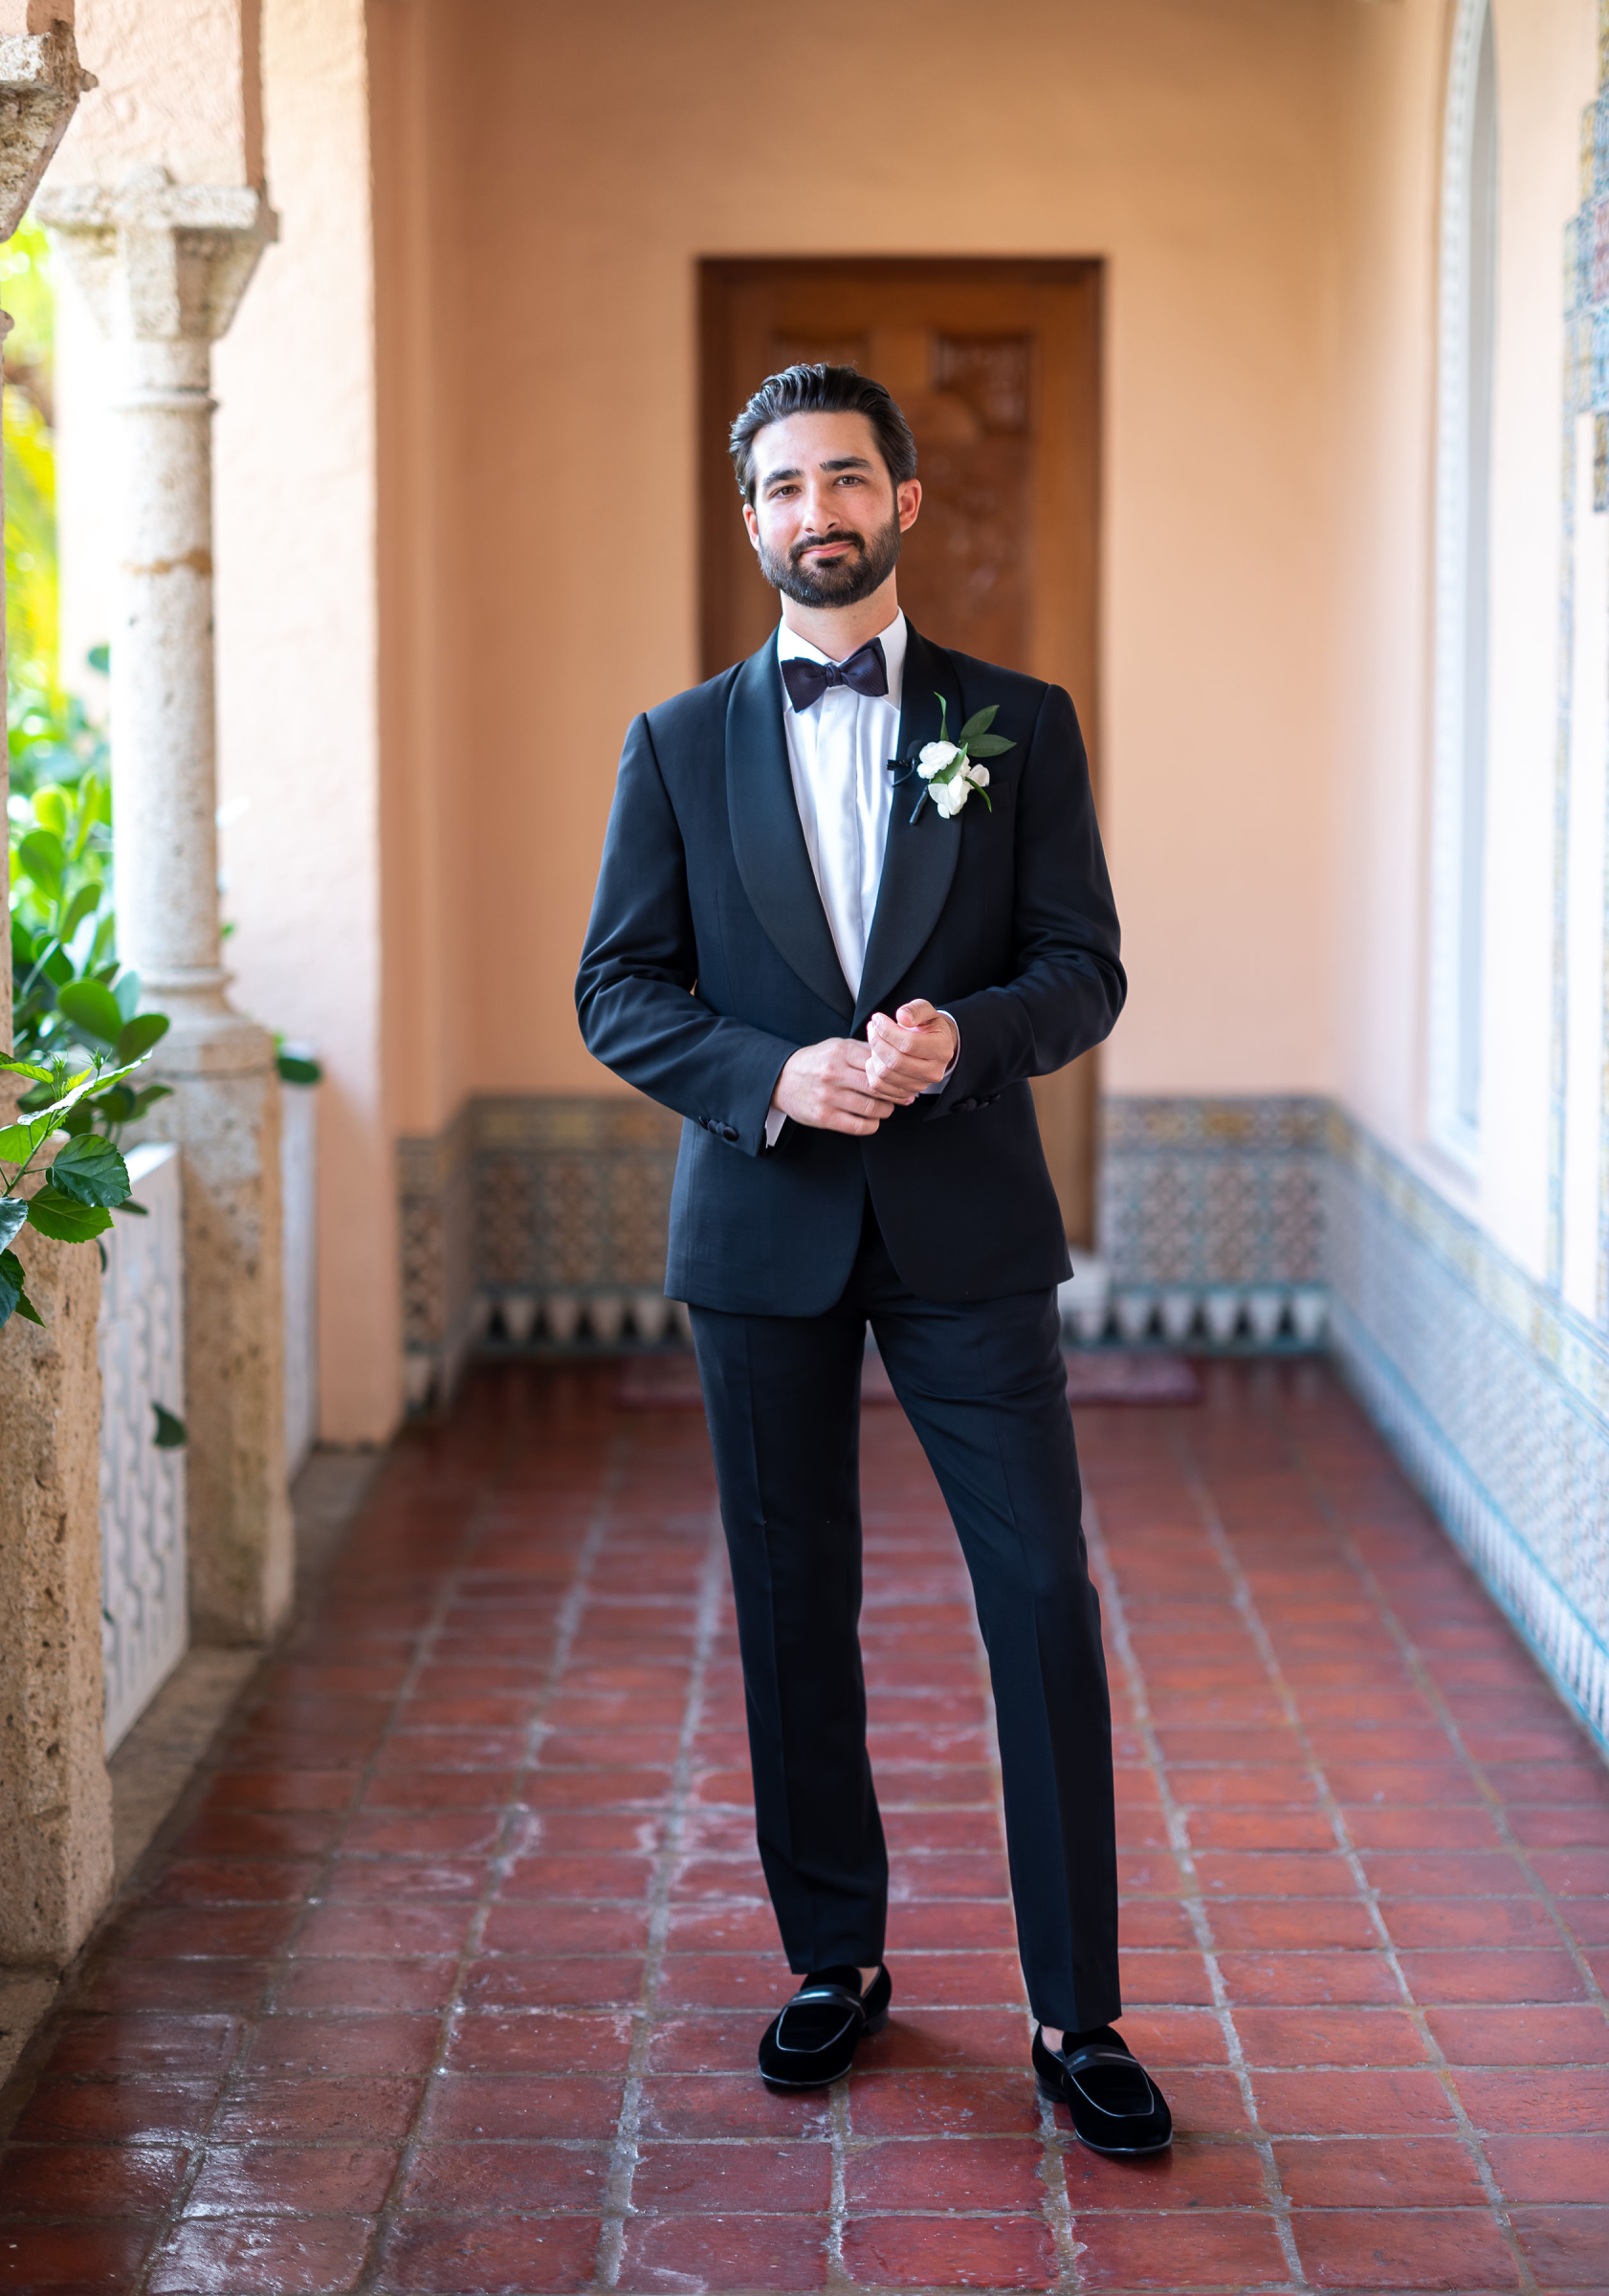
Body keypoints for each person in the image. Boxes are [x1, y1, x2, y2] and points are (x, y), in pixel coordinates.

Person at [576, 364, 1170, 2155]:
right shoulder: (676, 743)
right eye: (780, 486)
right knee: (790, 1604)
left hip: (969, 1229)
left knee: (1041, 1602)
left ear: (906, 502)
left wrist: (962, 1043)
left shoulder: (1021, 722)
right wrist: (774, 1076)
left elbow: (1084, 966)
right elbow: (619, 989)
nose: (813, 510)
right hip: (760, 1235)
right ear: (747, 518)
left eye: (845, 477)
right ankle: (834, 1958)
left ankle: (1079, 2012)